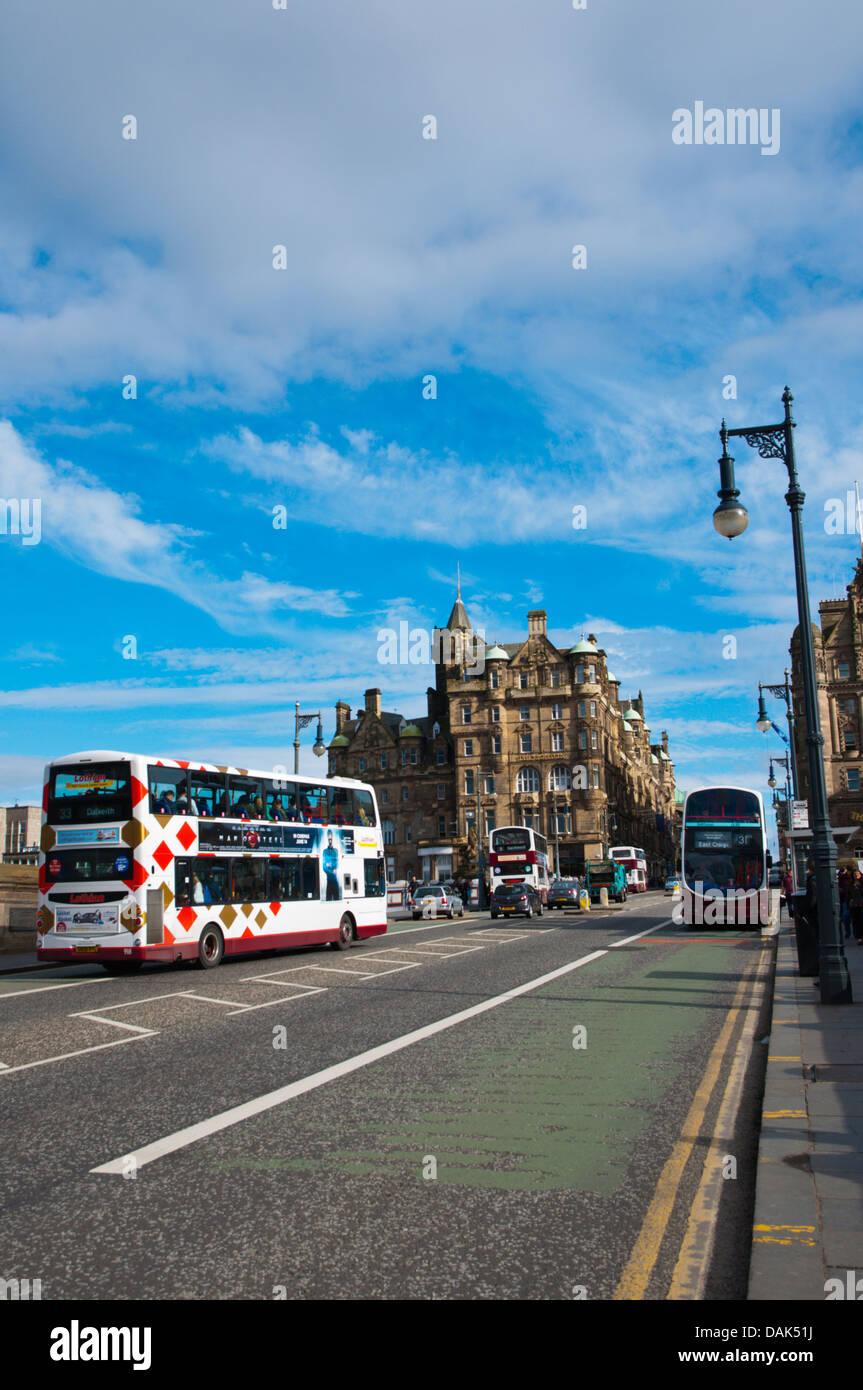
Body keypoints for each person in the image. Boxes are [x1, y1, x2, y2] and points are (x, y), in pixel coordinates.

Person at [323, 832, 340, 901]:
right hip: (329, 881)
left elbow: (337, 863)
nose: (330, 841)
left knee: (337, 900)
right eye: (329, 839)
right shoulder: (325, 851)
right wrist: (332, 870)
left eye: (331, 839)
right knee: (328, 900)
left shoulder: (335, 851)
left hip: (335, 880)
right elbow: (324, 867)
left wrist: (330, 865)